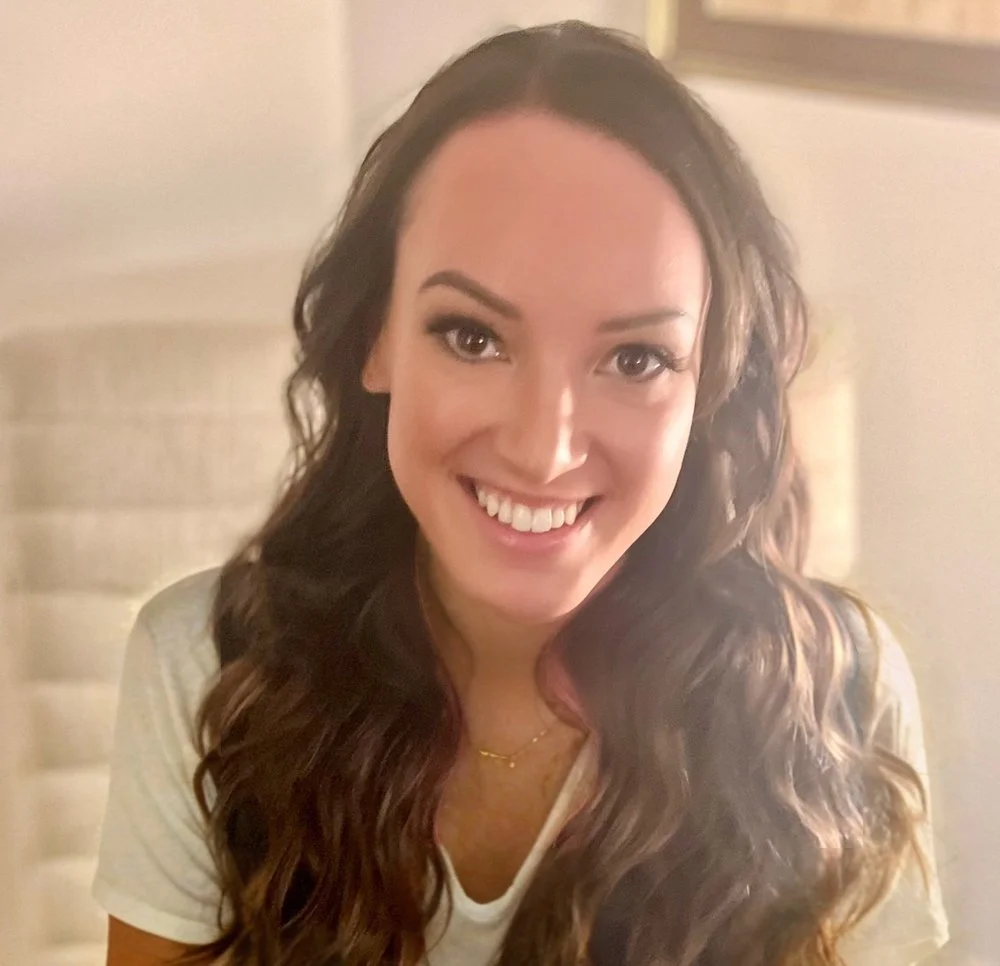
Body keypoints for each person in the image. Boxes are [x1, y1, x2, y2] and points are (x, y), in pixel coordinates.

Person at [92, 20, 949, 966]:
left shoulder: (836, 694)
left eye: (635, 357)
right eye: (472, 337)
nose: (544, 450)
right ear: (376, 332)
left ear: (706, 388)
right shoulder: (210, 669)